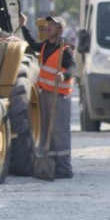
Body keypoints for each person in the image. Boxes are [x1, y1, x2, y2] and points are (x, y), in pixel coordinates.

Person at [19, 14, 76, 179]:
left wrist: (64, 76)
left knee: (60, 133)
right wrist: (23, 26)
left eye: (53, 25)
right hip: (45, 95)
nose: (48, 26)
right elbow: (32, 43)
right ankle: (50, 165)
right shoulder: (45, 46)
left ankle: (64, 168)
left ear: (60, 30)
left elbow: (73, 68)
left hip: (59, 97)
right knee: (46, 132)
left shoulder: (66, 49)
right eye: (48, 24)